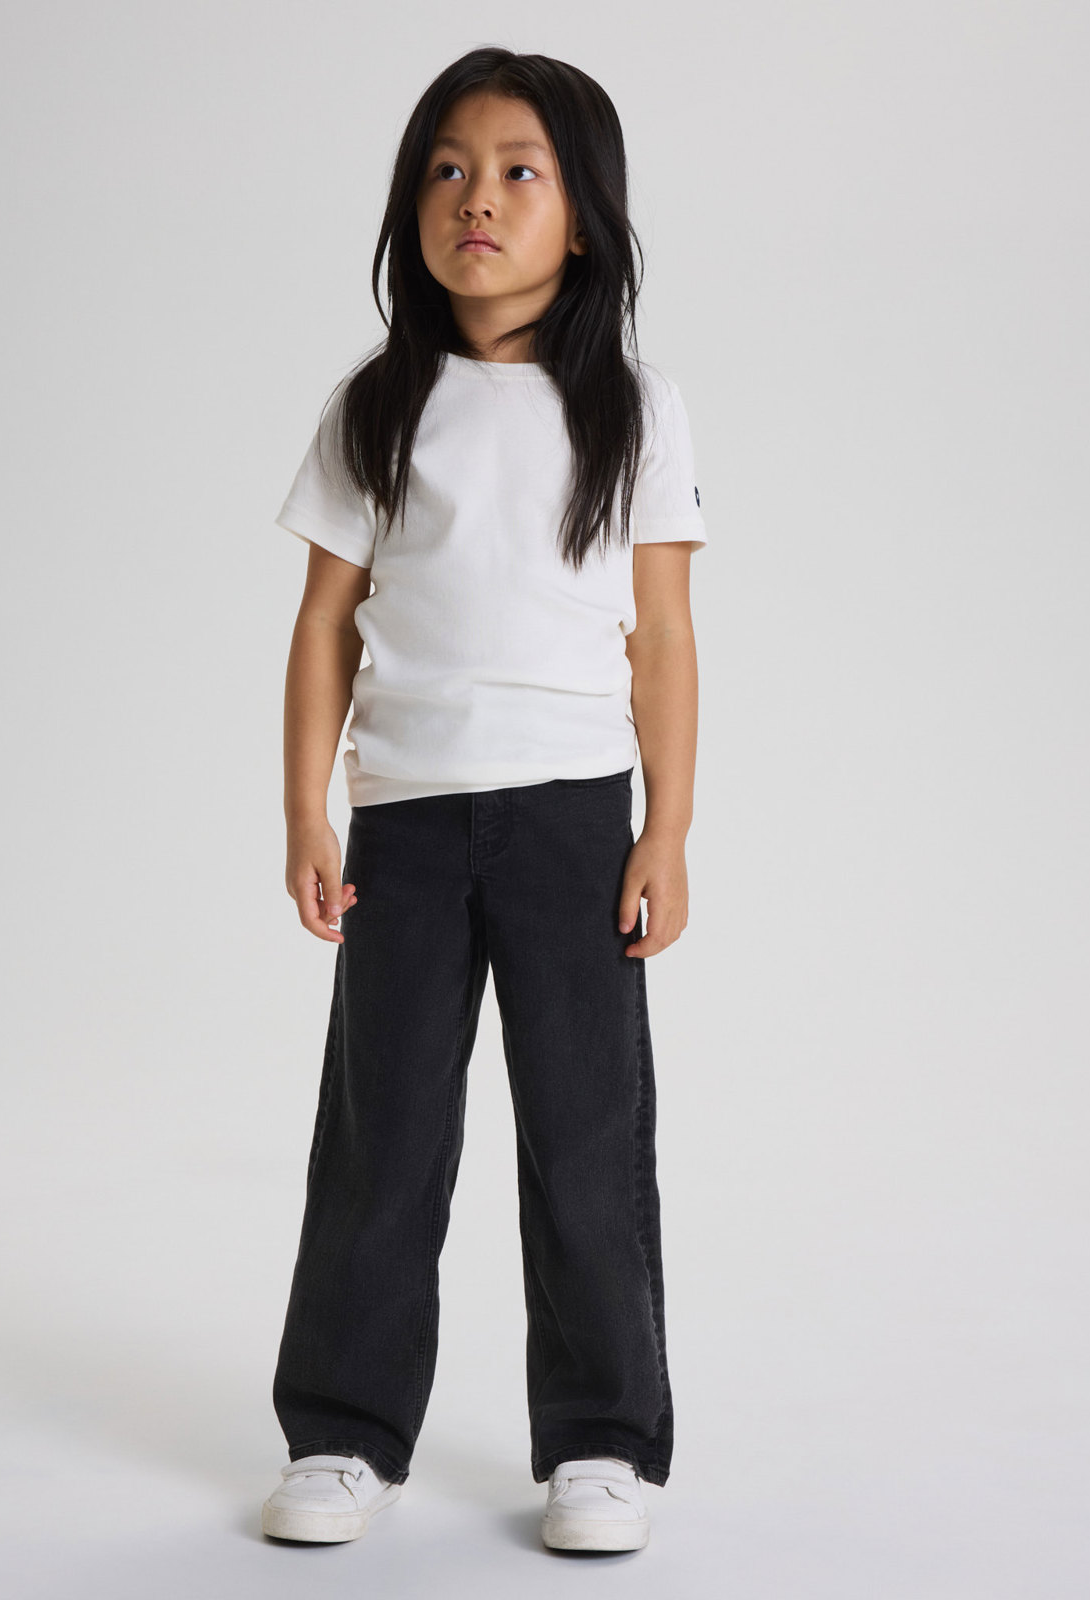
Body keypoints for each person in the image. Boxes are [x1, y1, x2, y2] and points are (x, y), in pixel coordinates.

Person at [261, 46, 709, 1555]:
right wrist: (308, 814)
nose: (479, 198)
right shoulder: (377, 406)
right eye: (449, 169)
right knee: (384, 1134)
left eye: (522, 171)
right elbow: (324, 624)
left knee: (586, 1136)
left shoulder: (633, 409)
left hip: (576, 819)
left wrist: (666, 830)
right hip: (407, 822)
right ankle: (344, 1431)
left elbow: (664, 639)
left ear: (583, 220)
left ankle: (602, 1443)